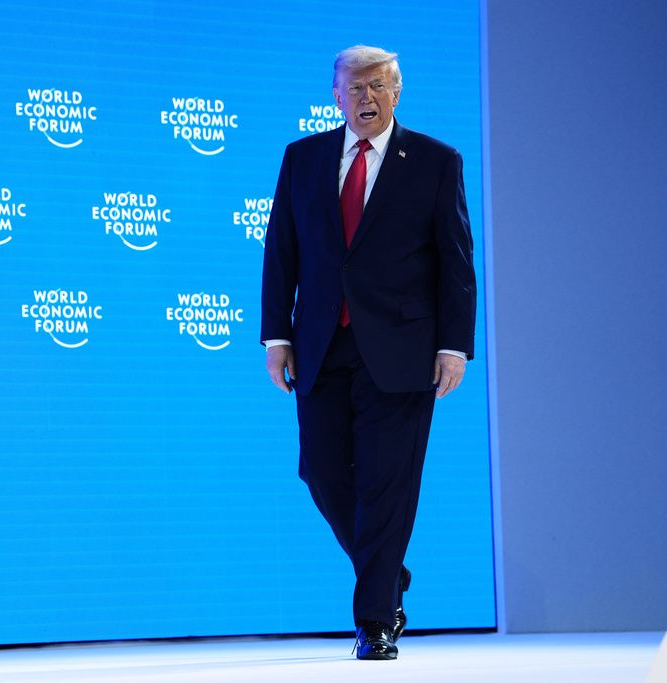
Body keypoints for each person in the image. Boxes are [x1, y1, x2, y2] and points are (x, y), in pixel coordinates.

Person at [260, 45, 476, 660]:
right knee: (321, 471)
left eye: (377, 86)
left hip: (403, 349)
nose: (365, 97)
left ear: (397, 91)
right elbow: (282, 251)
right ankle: (387, 574)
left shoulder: (435, 161)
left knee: (388, 483)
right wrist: (278, 336)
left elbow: (456, 265)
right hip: (321, 344)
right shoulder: (302, 158)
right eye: (353, 88)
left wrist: (454, 346)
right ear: (336, 97)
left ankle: (375, 620)